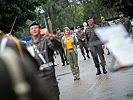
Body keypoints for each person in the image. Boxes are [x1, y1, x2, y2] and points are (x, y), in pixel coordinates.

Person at [27, 21, 60, 100]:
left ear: (40, 29)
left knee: (53, 95)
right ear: (30, 31)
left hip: (48, 74)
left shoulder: (46, 40)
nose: (34, 30)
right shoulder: (27, 45)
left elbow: (57, 47)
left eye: (35, 28)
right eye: (32, 28)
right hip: (36, 77)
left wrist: (50, 36)